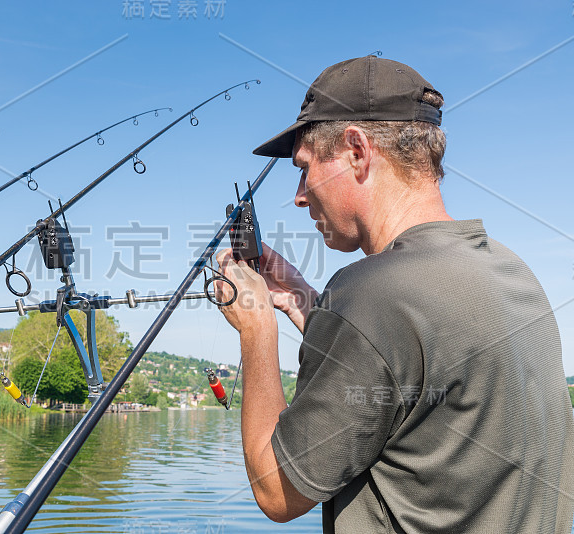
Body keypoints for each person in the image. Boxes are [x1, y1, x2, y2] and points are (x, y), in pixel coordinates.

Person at [215, 55, 574, 533]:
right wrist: (302, 299)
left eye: (304, 168)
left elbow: (276, 490)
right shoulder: (510, 270)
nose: (300, 195)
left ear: (357, 151)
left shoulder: (369, 293)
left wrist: (257, 328)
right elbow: (409, 372)